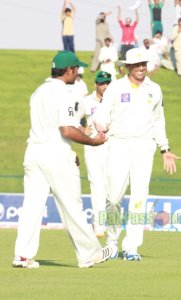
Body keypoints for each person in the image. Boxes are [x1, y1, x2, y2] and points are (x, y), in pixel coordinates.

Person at [12, 51, 112, 269]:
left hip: (34, 152)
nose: (78, 74)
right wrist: (93, 142)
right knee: (71, 205)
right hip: (55, 153)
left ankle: (22, 255)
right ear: (68, 70)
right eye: (76, 70)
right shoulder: (65, 94)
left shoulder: (38, 92)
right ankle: (89, 254)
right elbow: (66, 129)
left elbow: (51, 127)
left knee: (32, 206)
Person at [93, 48, 181, 261]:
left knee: (139, 199)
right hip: (119, 145)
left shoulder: (155, 89)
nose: (142, 67)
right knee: (113, 198)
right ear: (128, 67)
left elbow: (159, 120)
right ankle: (112, 242)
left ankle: (131, 246)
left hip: (144, 147)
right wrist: (100, 126)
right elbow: (101, 114)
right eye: (137, 64)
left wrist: (165, 149)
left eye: (144, 63)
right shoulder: (115, 88)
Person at [79, 71, 112, 238]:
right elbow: (72, 118)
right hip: (91, 147)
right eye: (102, 83)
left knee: (109, 186)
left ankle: (105, 221)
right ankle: (99, 225)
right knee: (96, 183)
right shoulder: (86, 101)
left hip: (110, 147)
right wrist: (81, 129)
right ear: (96, 85)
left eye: (107, 83)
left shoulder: (114, 100)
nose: (105, 86)